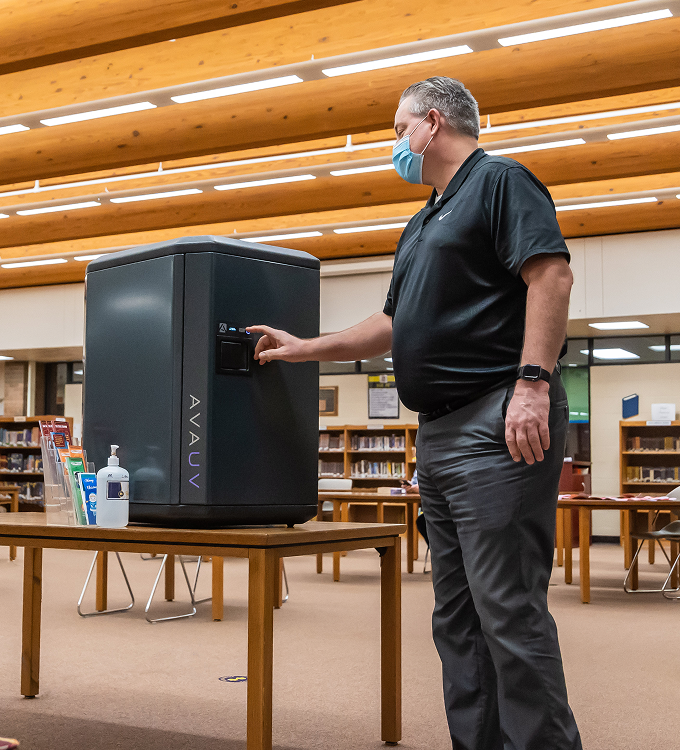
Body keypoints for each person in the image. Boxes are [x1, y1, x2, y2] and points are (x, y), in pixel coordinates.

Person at [249, 76, 581, 750]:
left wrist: (532, 384)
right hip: (439, 434)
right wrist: (306, 348)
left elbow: (550, 276)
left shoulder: (500, 182)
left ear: (433, 122)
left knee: (507, 613)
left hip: (497, 422)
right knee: (456, 620)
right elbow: (392, 324)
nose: (396, 144)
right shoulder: (424, 221)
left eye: (400, 129)